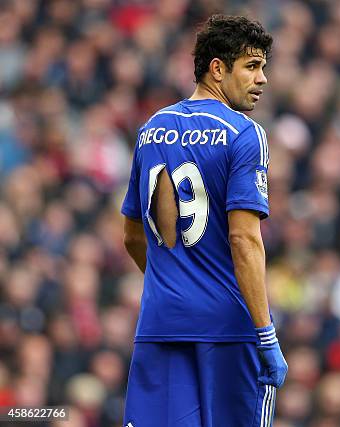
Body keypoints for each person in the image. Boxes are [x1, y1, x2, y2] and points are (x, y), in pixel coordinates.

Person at [120, 15, 287, 426]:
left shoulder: (150, 130)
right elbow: (244, 239)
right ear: (217, 68)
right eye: (252, 66)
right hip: (227, 327)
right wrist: (265, 334)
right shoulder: (244, 134)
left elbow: (131, 236)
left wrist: (175, 282)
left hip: (161, 322)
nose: (262, 78)